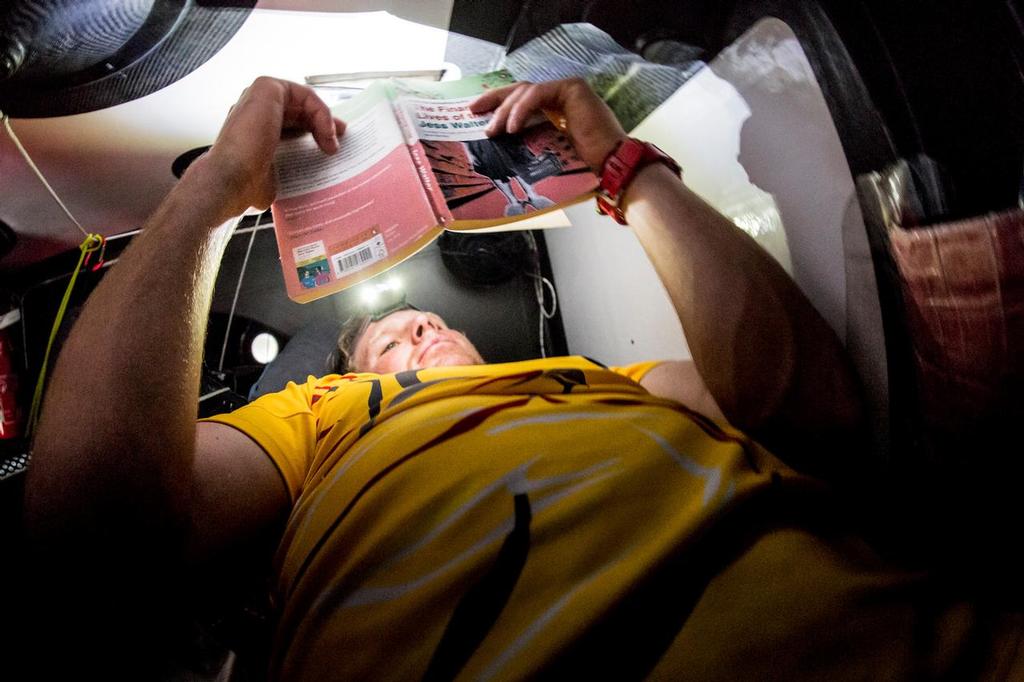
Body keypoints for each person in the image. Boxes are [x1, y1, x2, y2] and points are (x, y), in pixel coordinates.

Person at [21, 77, 1009, 680]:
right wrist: (214, 189)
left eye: (423, 320)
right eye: (391, 343)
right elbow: (97, 535)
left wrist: (626, 171)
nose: (416, 320)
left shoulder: (589, 378)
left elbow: (816, 416)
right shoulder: (320, 423)